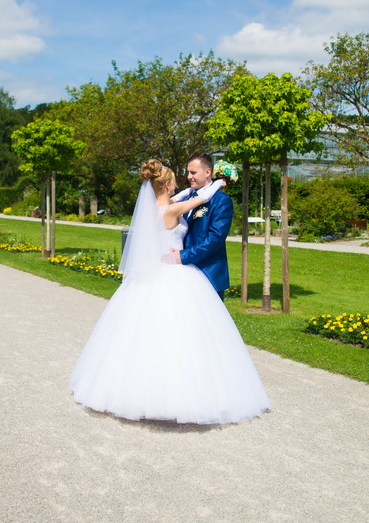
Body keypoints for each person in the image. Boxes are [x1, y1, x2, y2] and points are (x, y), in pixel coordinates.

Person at [69, 159, 271, 424]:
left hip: (164, 271)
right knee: (184, 335)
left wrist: (208, 186)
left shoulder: (158, 207)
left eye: (190, 172)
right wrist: (220, 182)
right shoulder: (174, 208)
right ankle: (185, 393)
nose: (184, 178)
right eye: (179, 176)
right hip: (176, 271)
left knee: (148, 333)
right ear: (166, 183)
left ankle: (137, 390)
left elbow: (194, 207)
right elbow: (196, 200)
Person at [165, 153, 233, 300]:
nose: (189, 177)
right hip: (183, 272)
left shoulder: (221, 200)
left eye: (193, 172)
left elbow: (215, 238)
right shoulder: (187, 197)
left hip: (208, 272)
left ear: (208, 172)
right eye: (188, 172)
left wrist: (183, 256)